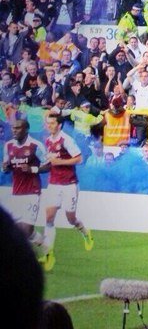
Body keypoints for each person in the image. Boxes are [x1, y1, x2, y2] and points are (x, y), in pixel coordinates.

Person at [42, 114, 92, 271]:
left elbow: (79, 159)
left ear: (60, 125)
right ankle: (48, 253)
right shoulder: (48, 140)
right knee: (49, 218)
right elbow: (51, 161)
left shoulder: (66, 140)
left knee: (71, 219)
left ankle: (85, 232)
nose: (49, 126)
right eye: (48, 123)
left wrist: (60, 162)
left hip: (69, 184)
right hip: (54, 183)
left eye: (52, 123)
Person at [1, 120, 50, 266]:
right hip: (16, 191)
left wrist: (32, 169)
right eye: (13, 128)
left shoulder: (35, 145)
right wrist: (6, 167)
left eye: (18, 128)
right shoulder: (8, 145)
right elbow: (7, 167)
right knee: (16, 230)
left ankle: (46, 252)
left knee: (27, 230)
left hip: (32, 191)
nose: (14, 130)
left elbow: (48, 166)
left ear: (26, 129)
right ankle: (41, 250)